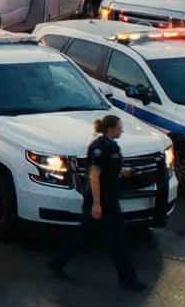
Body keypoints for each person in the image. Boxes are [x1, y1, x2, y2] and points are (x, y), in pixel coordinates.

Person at [47, 114, 148, 292]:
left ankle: (57, 261)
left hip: (108, 196)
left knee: (84, 234)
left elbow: (111, 171)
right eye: (119, 127)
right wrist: (97, 203)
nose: (122, 130)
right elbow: (94, 176)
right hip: (102, 199)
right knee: (117, 238)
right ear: (110, 129)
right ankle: (128, 278)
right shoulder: (99, 148)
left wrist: (127, 173)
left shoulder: (112, 146)